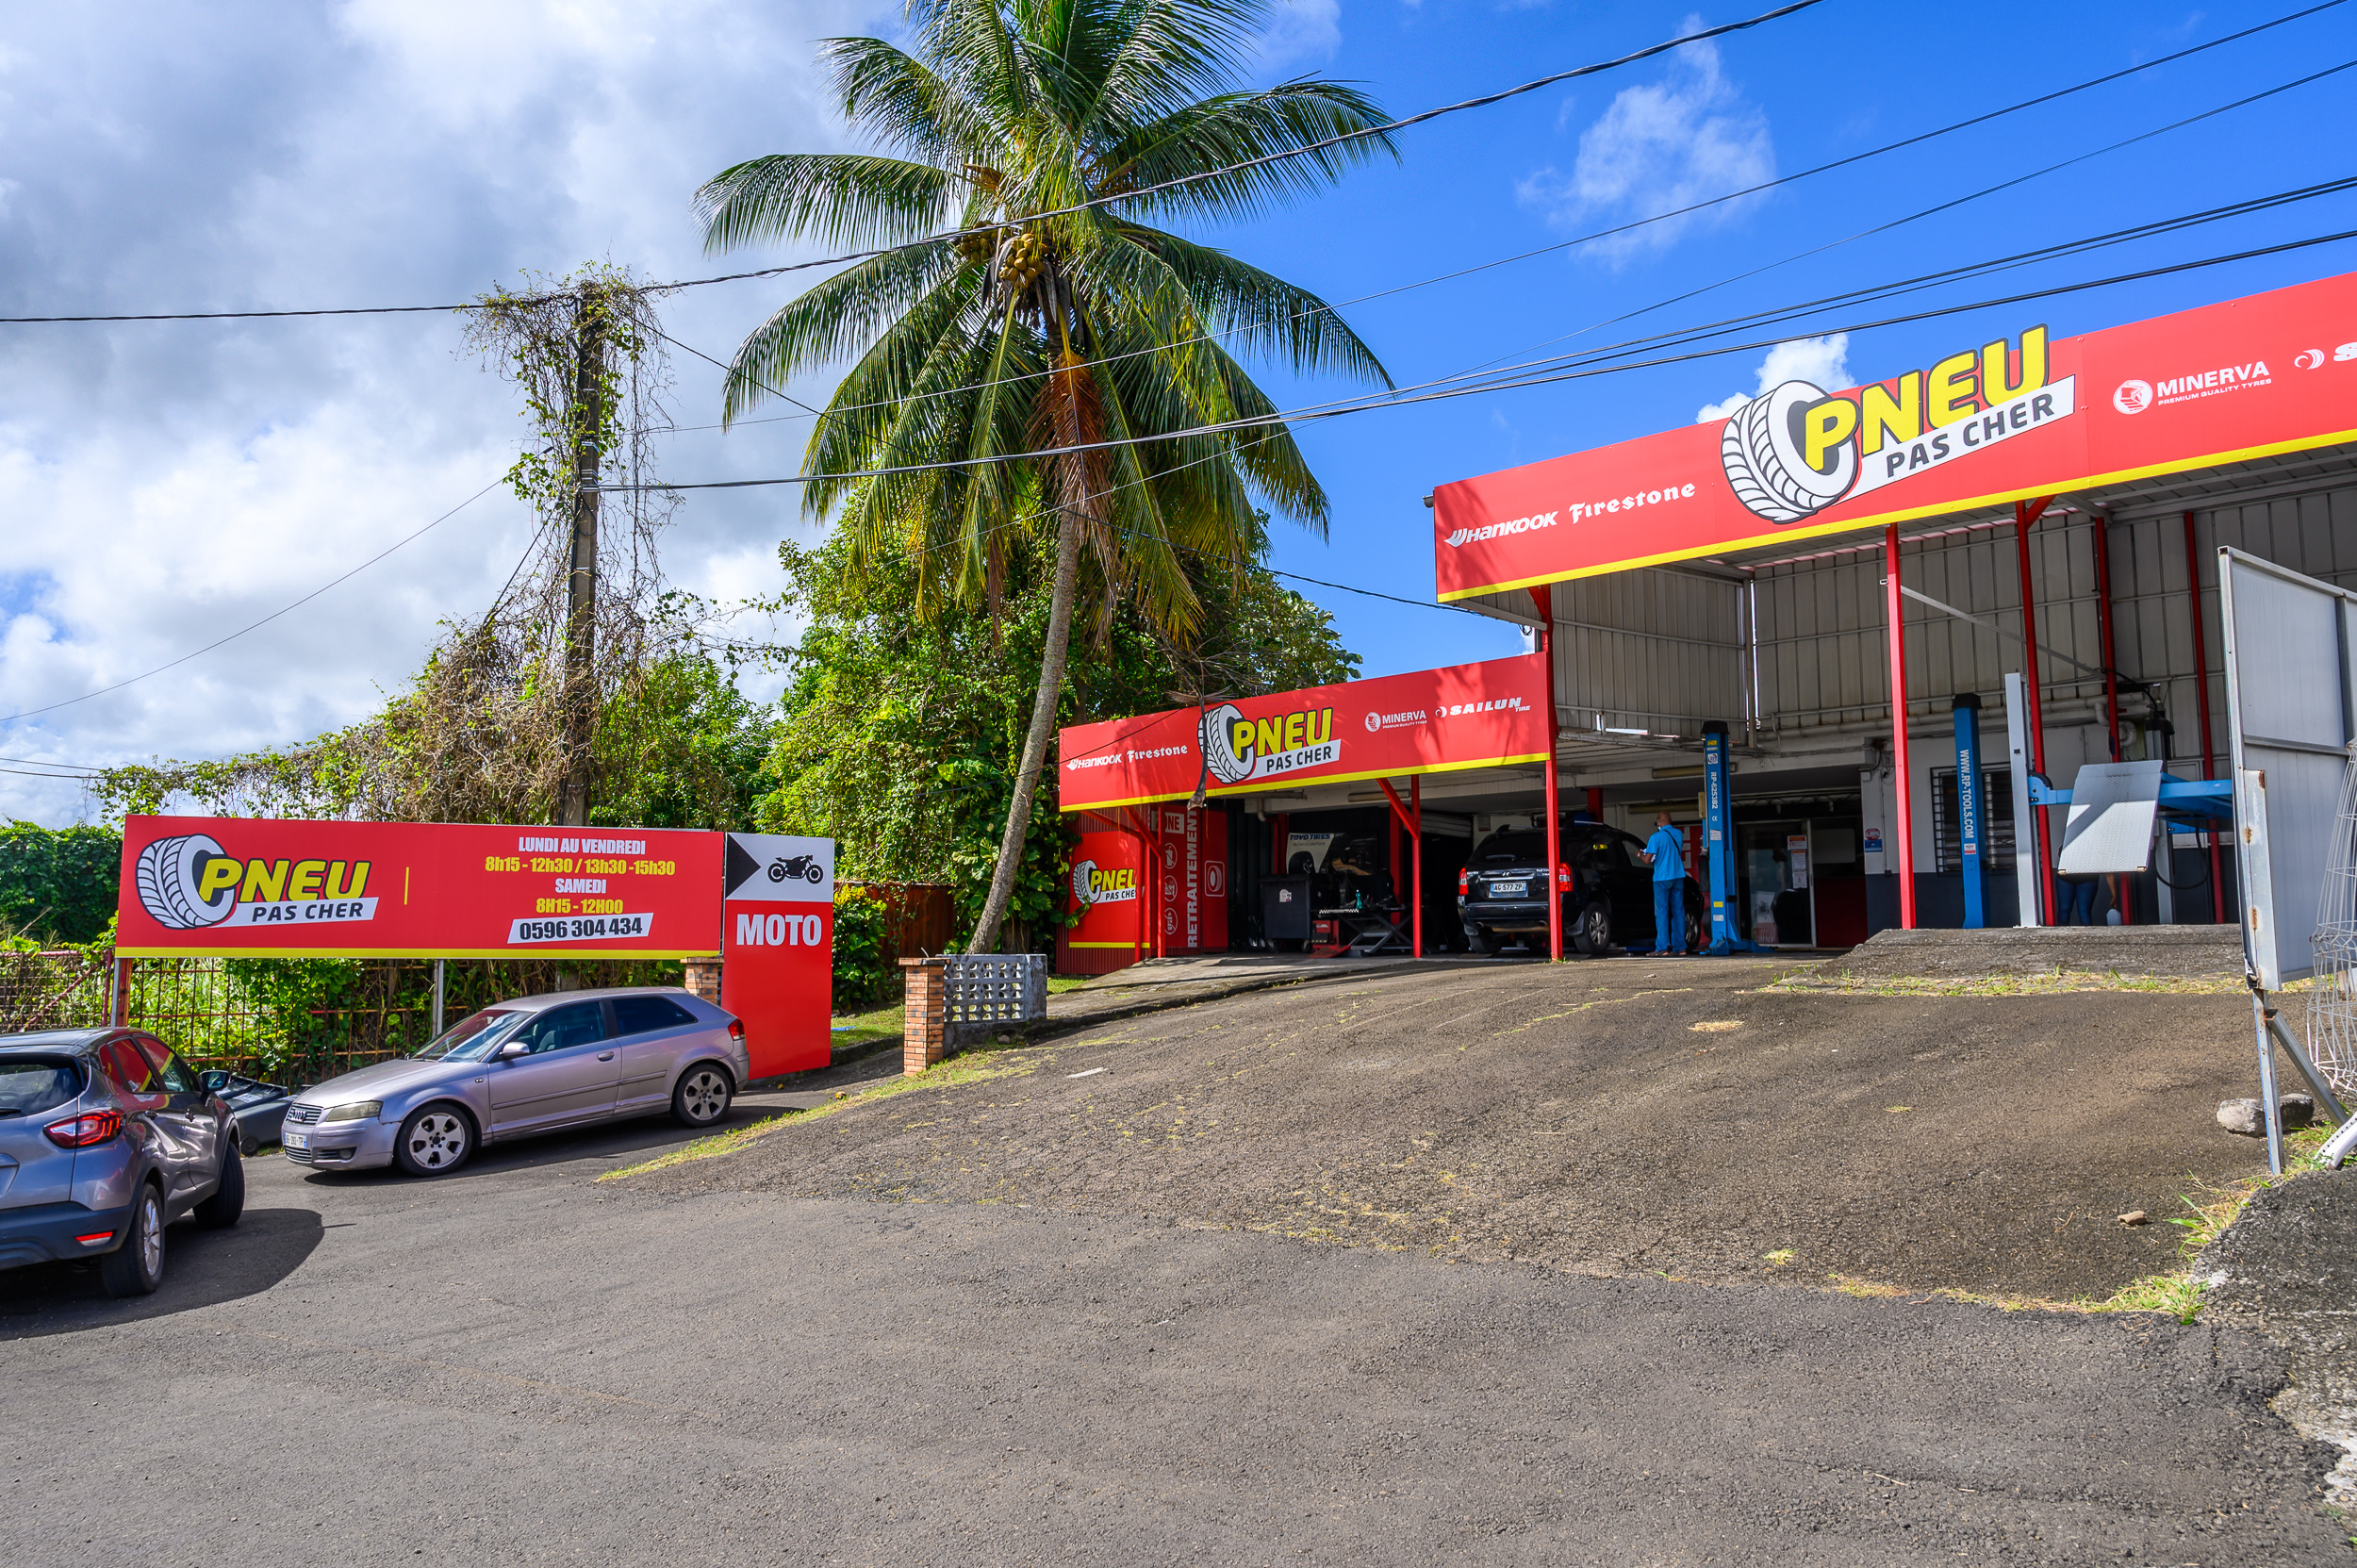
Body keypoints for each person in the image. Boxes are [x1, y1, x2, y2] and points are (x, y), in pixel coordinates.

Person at [1640, 812, 1689, 956]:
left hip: (1662, 878)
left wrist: (1639, 854)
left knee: (1662, 912)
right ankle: (1680, 948)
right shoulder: (1678, 835)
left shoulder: (1656, 837)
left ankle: (1662, 948)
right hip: (1678, 876)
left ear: (1659, 822)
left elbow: (1647, 860)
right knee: (1678, 911)